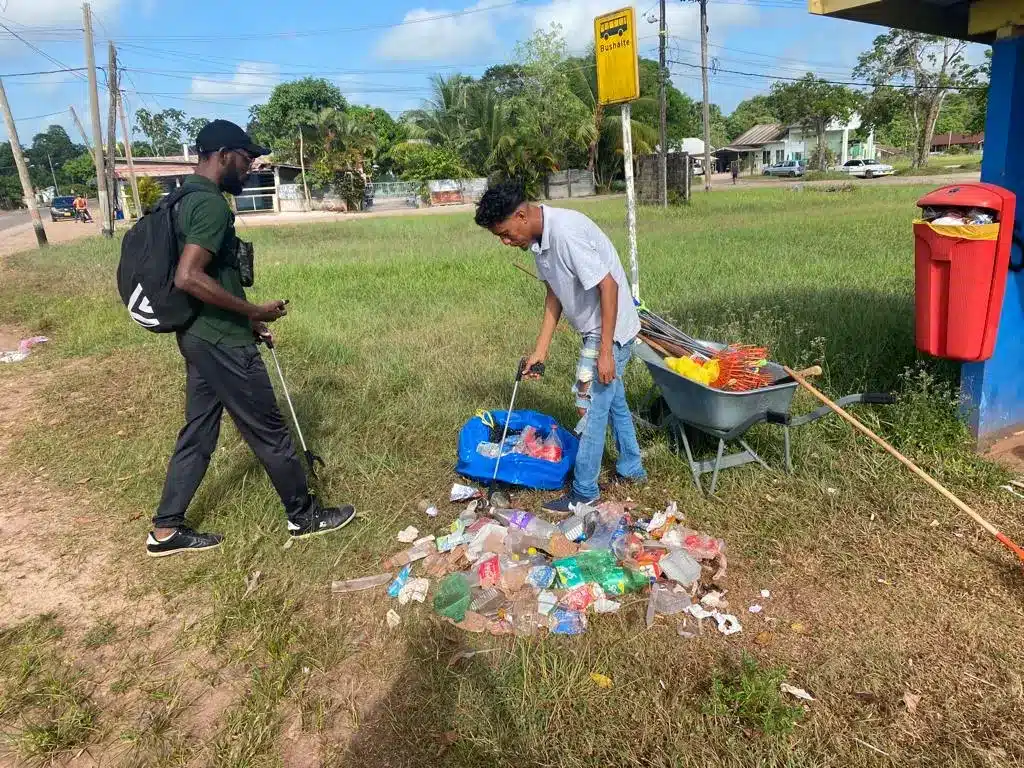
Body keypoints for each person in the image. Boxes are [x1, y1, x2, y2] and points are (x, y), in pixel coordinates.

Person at [147, 119, 355, 557]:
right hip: (221, 341)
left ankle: (166, 530)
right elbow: (189, 276)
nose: (251, 166)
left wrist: (248, 322)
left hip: (199, 335)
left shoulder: (182, 198)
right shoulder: (210, 206)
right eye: (246, 158)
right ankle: (304, 516)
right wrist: (254, 312)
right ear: (223, 155)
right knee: (270, 430)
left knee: (199, 431)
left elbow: (209, 278)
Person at [474, 181, 647, 513]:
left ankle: (584, 491)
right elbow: (554, 293)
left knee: (592, 408)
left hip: (609, 331)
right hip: (596, 330)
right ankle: (632, 468)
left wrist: (607, 351)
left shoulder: (566, 233)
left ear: (521, 214)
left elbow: (608, 286)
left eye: (506, 233)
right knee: (614, 403)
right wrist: (541, 350)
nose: (507, 242)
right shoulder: (540, 241)